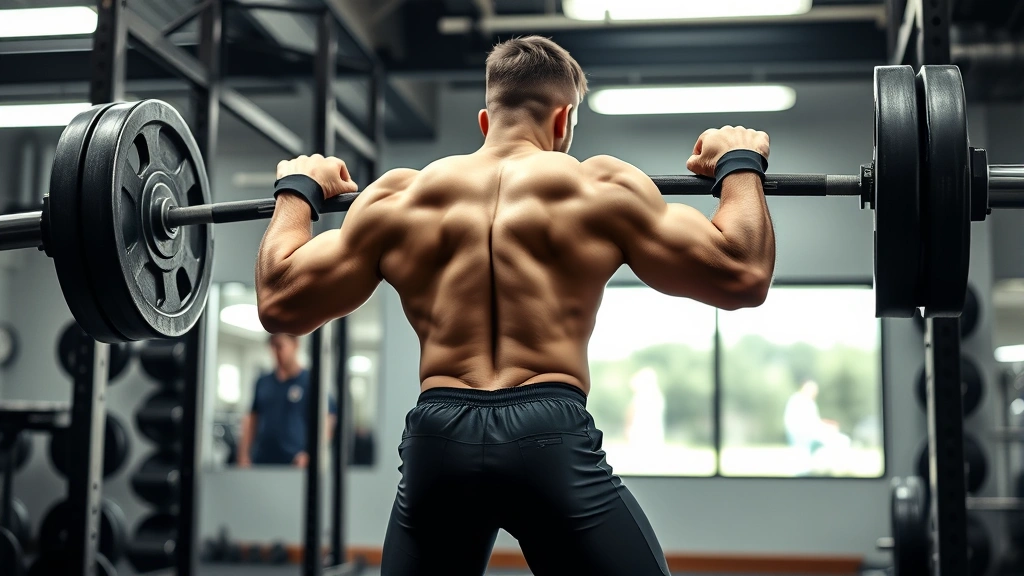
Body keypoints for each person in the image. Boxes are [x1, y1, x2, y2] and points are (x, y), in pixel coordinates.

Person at [256, 36, 774, 576]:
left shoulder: (396, 199)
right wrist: (738, 164)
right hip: (547, 434)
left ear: (486, 120)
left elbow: (279, 302)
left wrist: (297, 189)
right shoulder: (599, 187)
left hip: (440, 439)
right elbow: (743, 274)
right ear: (563, 120)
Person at [237, 333, 336, 468]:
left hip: (295, 462)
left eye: (280, 346)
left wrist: (311, 454)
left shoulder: (311, 381)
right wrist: (243, 454)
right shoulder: (263, 382)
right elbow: (252, 419)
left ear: (295, 345)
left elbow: (327, 420)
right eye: (272, 346)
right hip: (262, 460)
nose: (276, 352)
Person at [783, 379, 850, 475]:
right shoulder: (800, 401)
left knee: (840, 440)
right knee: (842, 440)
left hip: (808, 434)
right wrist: (827, 428)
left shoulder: (806, 402)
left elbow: (814, 421)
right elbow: (808, 423)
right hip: (803, 435)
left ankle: (831, 468)